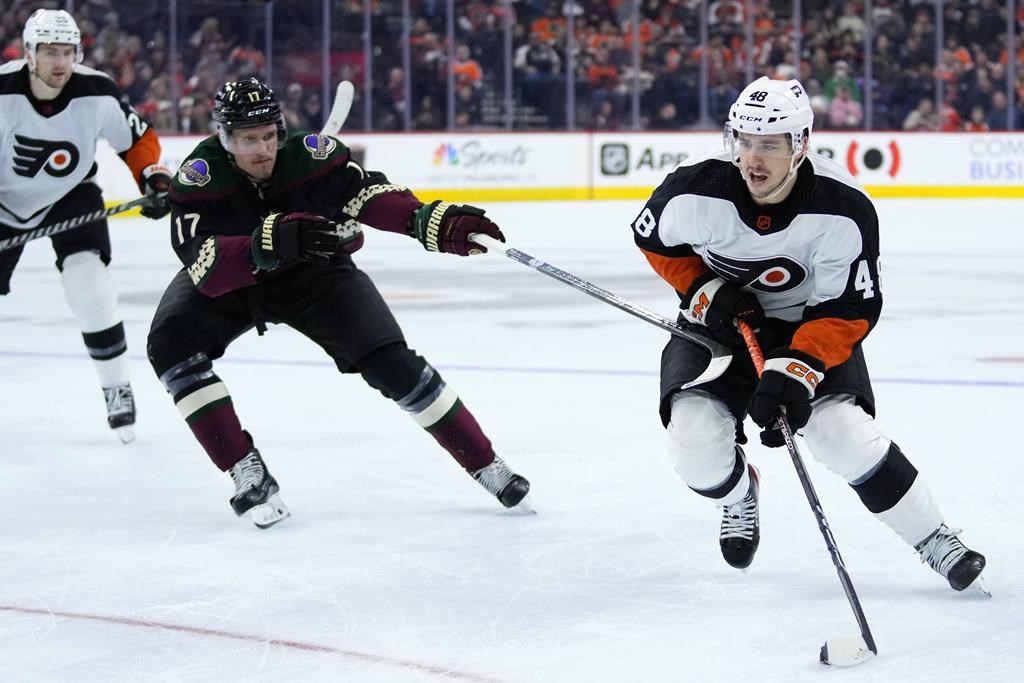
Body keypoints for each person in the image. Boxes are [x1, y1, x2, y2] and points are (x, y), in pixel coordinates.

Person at [630, 76, 987, 593]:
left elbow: (849, 307)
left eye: (770, 145)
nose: (753, 159)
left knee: (840, 433)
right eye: (744, 141)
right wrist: (705, 290)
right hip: (717, 328)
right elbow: (654, 241)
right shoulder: (695, 187)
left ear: (801, 144)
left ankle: (933, 537)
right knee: (694, 445)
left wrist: (796, 369)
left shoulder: (843, 207)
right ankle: (738, 497)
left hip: (810, 325)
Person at [147, 78, 530, 528]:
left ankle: (485, 463)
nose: (263, 150)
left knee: (391, 361)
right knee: (170, 343)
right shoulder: (198, 178)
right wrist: (268, 242)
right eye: (249, 140)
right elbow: (207, 270)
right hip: (237, 281)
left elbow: (367, 195)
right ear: (225, 138)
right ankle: (244, 468)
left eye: (269, 135)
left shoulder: (309, 156)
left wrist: (423, 218)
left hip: (315, 275)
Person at [0, 9, 171, 443]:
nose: (60, 62)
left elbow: (136, 139)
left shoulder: (97, 91)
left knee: (89, 285)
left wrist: (152, 176)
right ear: (28, 53)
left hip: (68, 195)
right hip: (3, 201)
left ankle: (116, 386)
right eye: (50, 52)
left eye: (68, 52)